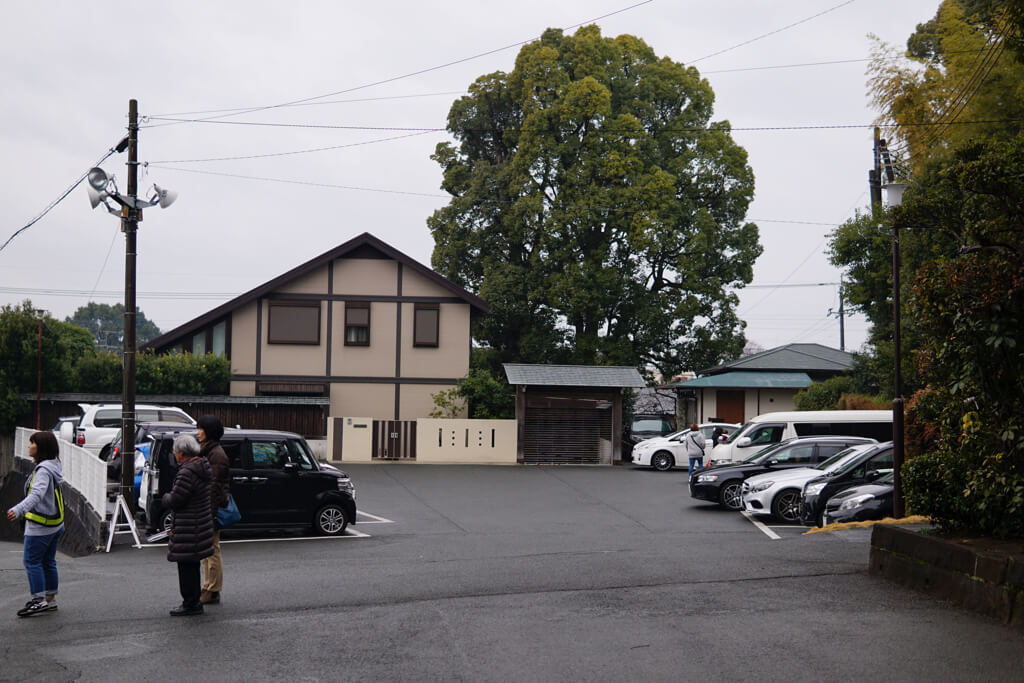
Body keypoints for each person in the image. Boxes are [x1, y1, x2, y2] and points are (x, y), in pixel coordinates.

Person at [7, 431, 65, 618]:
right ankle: (50, 598)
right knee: (48, 561)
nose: (29, 446)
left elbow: (36, 495)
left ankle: (38, 600)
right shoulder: (53, 467)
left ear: (41, 448)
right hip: (55, 524)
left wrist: (18, 510)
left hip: (41, 525)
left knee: (32, 562)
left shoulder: (43, 471)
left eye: (33, 443)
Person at [162, 434, 214, 616]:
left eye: (175, 452)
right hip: (199, 524)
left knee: (186, 568)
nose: (174, 455)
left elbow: (176, 499)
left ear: (182, 453)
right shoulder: (202, 467)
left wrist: (165, 497)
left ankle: (190, 603)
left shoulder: (186, 472)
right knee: (192, 566)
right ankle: (194, 602)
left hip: (189, 526)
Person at [197, 415, 229, 606]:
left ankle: (213, 589)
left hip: (211, 509)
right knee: (207, 551)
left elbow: (214, 487)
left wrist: (209, 513)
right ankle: (208, 586)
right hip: (208, 508)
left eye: (201, 429)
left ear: (209, 431)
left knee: (212, 550)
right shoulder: (209, 451)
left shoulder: (216, 455)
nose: (198, 432)